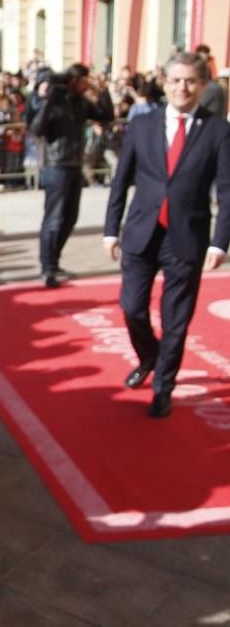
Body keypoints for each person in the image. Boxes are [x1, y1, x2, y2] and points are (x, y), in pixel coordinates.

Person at [103, 52, 230, 418]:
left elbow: (227, 191)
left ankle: (164, 387)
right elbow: (121, 182)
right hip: (142, 232)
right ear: (164, 82)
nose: (182, 88)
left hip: (186, 237)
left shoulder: (219, 131)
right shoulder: (142, 126)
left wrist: (220, 241)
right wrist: (111, 229)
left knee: (176, 319)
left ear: (203, 85)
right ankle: (149, 357)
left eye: (190, 81)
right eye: (175, 80)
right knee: (132, 307)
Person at [29, 63, 114, 287]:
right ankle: (47, 267)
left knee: (70, 217)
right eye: (84, 80)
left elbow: (105, 116)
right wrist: (48, 101)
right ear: (74, 80)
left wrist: (104, 91)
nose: (88, 84)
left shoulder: (80, 103)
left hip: (75, 165)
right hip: (55, 165)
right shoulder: (54, 101)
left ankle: (53, 260)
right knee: (54, 218)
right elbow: (37, 129)